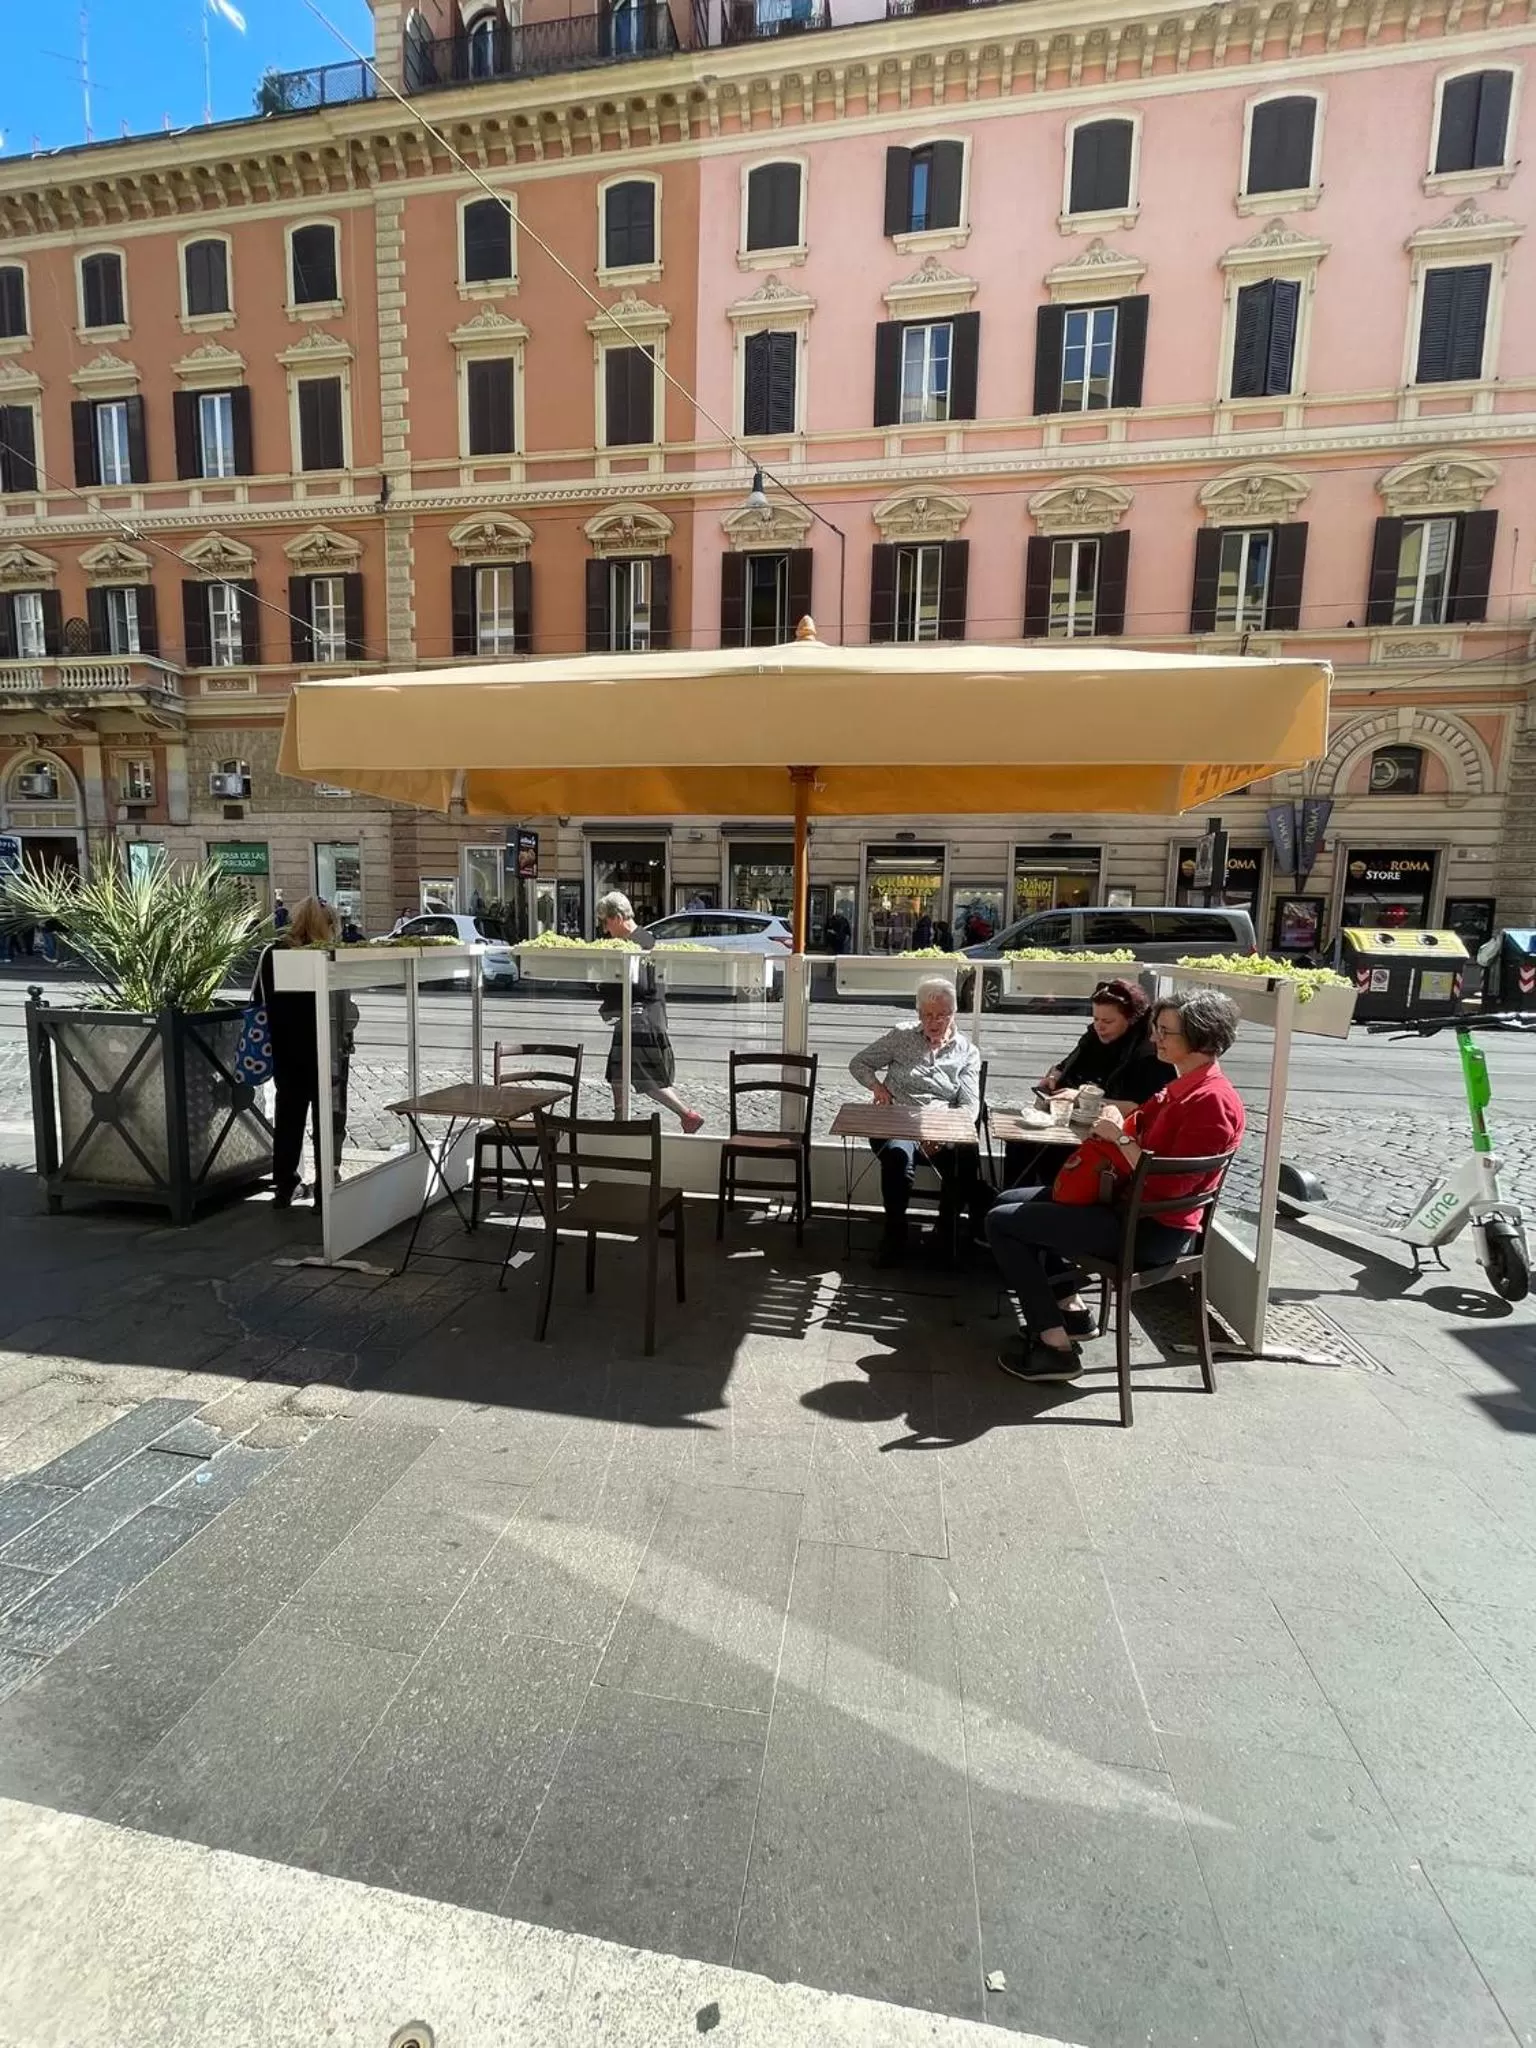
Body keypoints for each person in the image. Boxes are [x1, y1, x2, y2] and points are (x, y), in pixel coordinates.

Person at [986, 987, 1245, 1384]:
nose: (1155, 1037)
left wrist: (1119, 1138)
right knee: (1007, 1201)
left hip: (1149, 1230)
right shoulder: (1183, 1086)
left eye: (1165, 1031)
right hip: (1130, 1209)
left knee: (1003, 1222)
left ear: (1202, 1039)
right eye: (1156, 1028)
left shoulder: (1210, 1102)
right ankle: (1069, 1313)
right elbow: (1141, 1122)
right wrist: (1115, 1117)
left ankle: (1054, 1348)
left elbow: (1171, 1184)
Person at [850, 977, 981, 1267]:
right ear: (919, 1015)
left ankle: (946, 1234)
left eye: (942, 1015)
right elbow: (858, 1063)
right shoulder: (901, 1036)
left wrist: (942, 1130)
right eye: (927, 1015)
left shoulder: (967, 1052)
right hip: (898, 1119)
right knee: (897, 1157)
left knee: (966, 1157)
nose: (934, 1022)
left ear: (954, 1013)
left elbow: (971, 1105)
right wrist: (877, 1088)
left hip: (941, 1124)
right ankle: (894, 1237)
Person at [1002, 979, 1175, 1194]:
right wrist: (1056, 1074)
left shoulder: (1147, 1056)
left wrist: (1079, 1097)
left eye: (1108, 1021)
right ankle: (1013, 1202)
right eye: (1095, 1019)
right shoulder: (1095, 1036)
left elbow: (1140, 1107)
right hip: (1073, 1123)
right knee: (1018, 1143)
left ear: (1131, 1019)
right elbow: (1069, 1062)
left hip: (1108, 1139)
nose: (1099, 1026)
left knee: (1045, 1153)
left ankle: (1042, 1205)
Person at [253, 896, 357, 1207]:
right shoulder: (328, 955)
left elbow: (258, 999)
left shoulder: (273, 953)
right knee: (329, 1118)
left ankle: (284, 1184)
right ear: (327, 925)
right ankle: (326, 1184)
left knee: (289, 1117)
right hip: (327, 1051)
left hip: (286, 1048)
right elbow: (345, 1009)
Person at [596, 890, 703, 1133]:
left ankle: (687, 1114)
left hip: (641, 1019)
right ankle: (620, 1119)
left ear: (616, 918)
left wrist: (607, 986)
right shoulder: (641, 938)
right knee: (617, 1072)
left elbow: (641, 985)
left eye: (604, 922)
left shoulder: (639, 943)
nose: (604, 930)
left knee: (645, 1076)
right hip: (637, 1017)